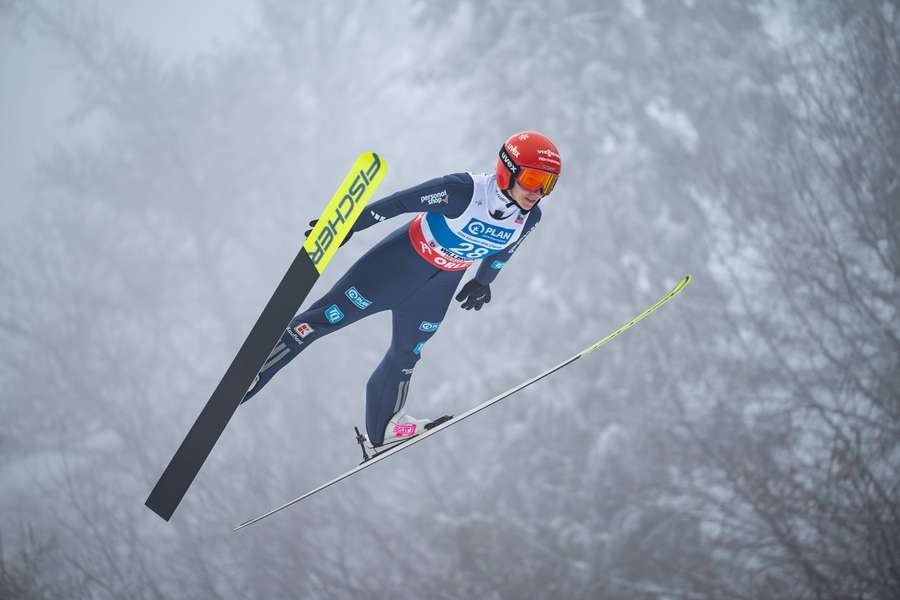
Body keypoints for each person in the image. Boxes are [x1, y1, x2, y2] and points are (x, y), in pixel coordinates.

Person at [242, 131, 562, 453]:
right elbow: (400, 202)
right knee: (327, 318)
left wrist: (482, 282)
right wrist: (350, 223)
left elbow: (505, 251)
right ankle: (257, 368)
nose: (538, 192)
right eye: (534, 178)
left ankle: (382, 429)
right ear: (508, 169)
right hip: (395, 267)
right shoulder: (462, 191)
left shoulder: (530, 217)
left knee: (407, 354)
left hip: (438, 288)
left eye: (548, 184)